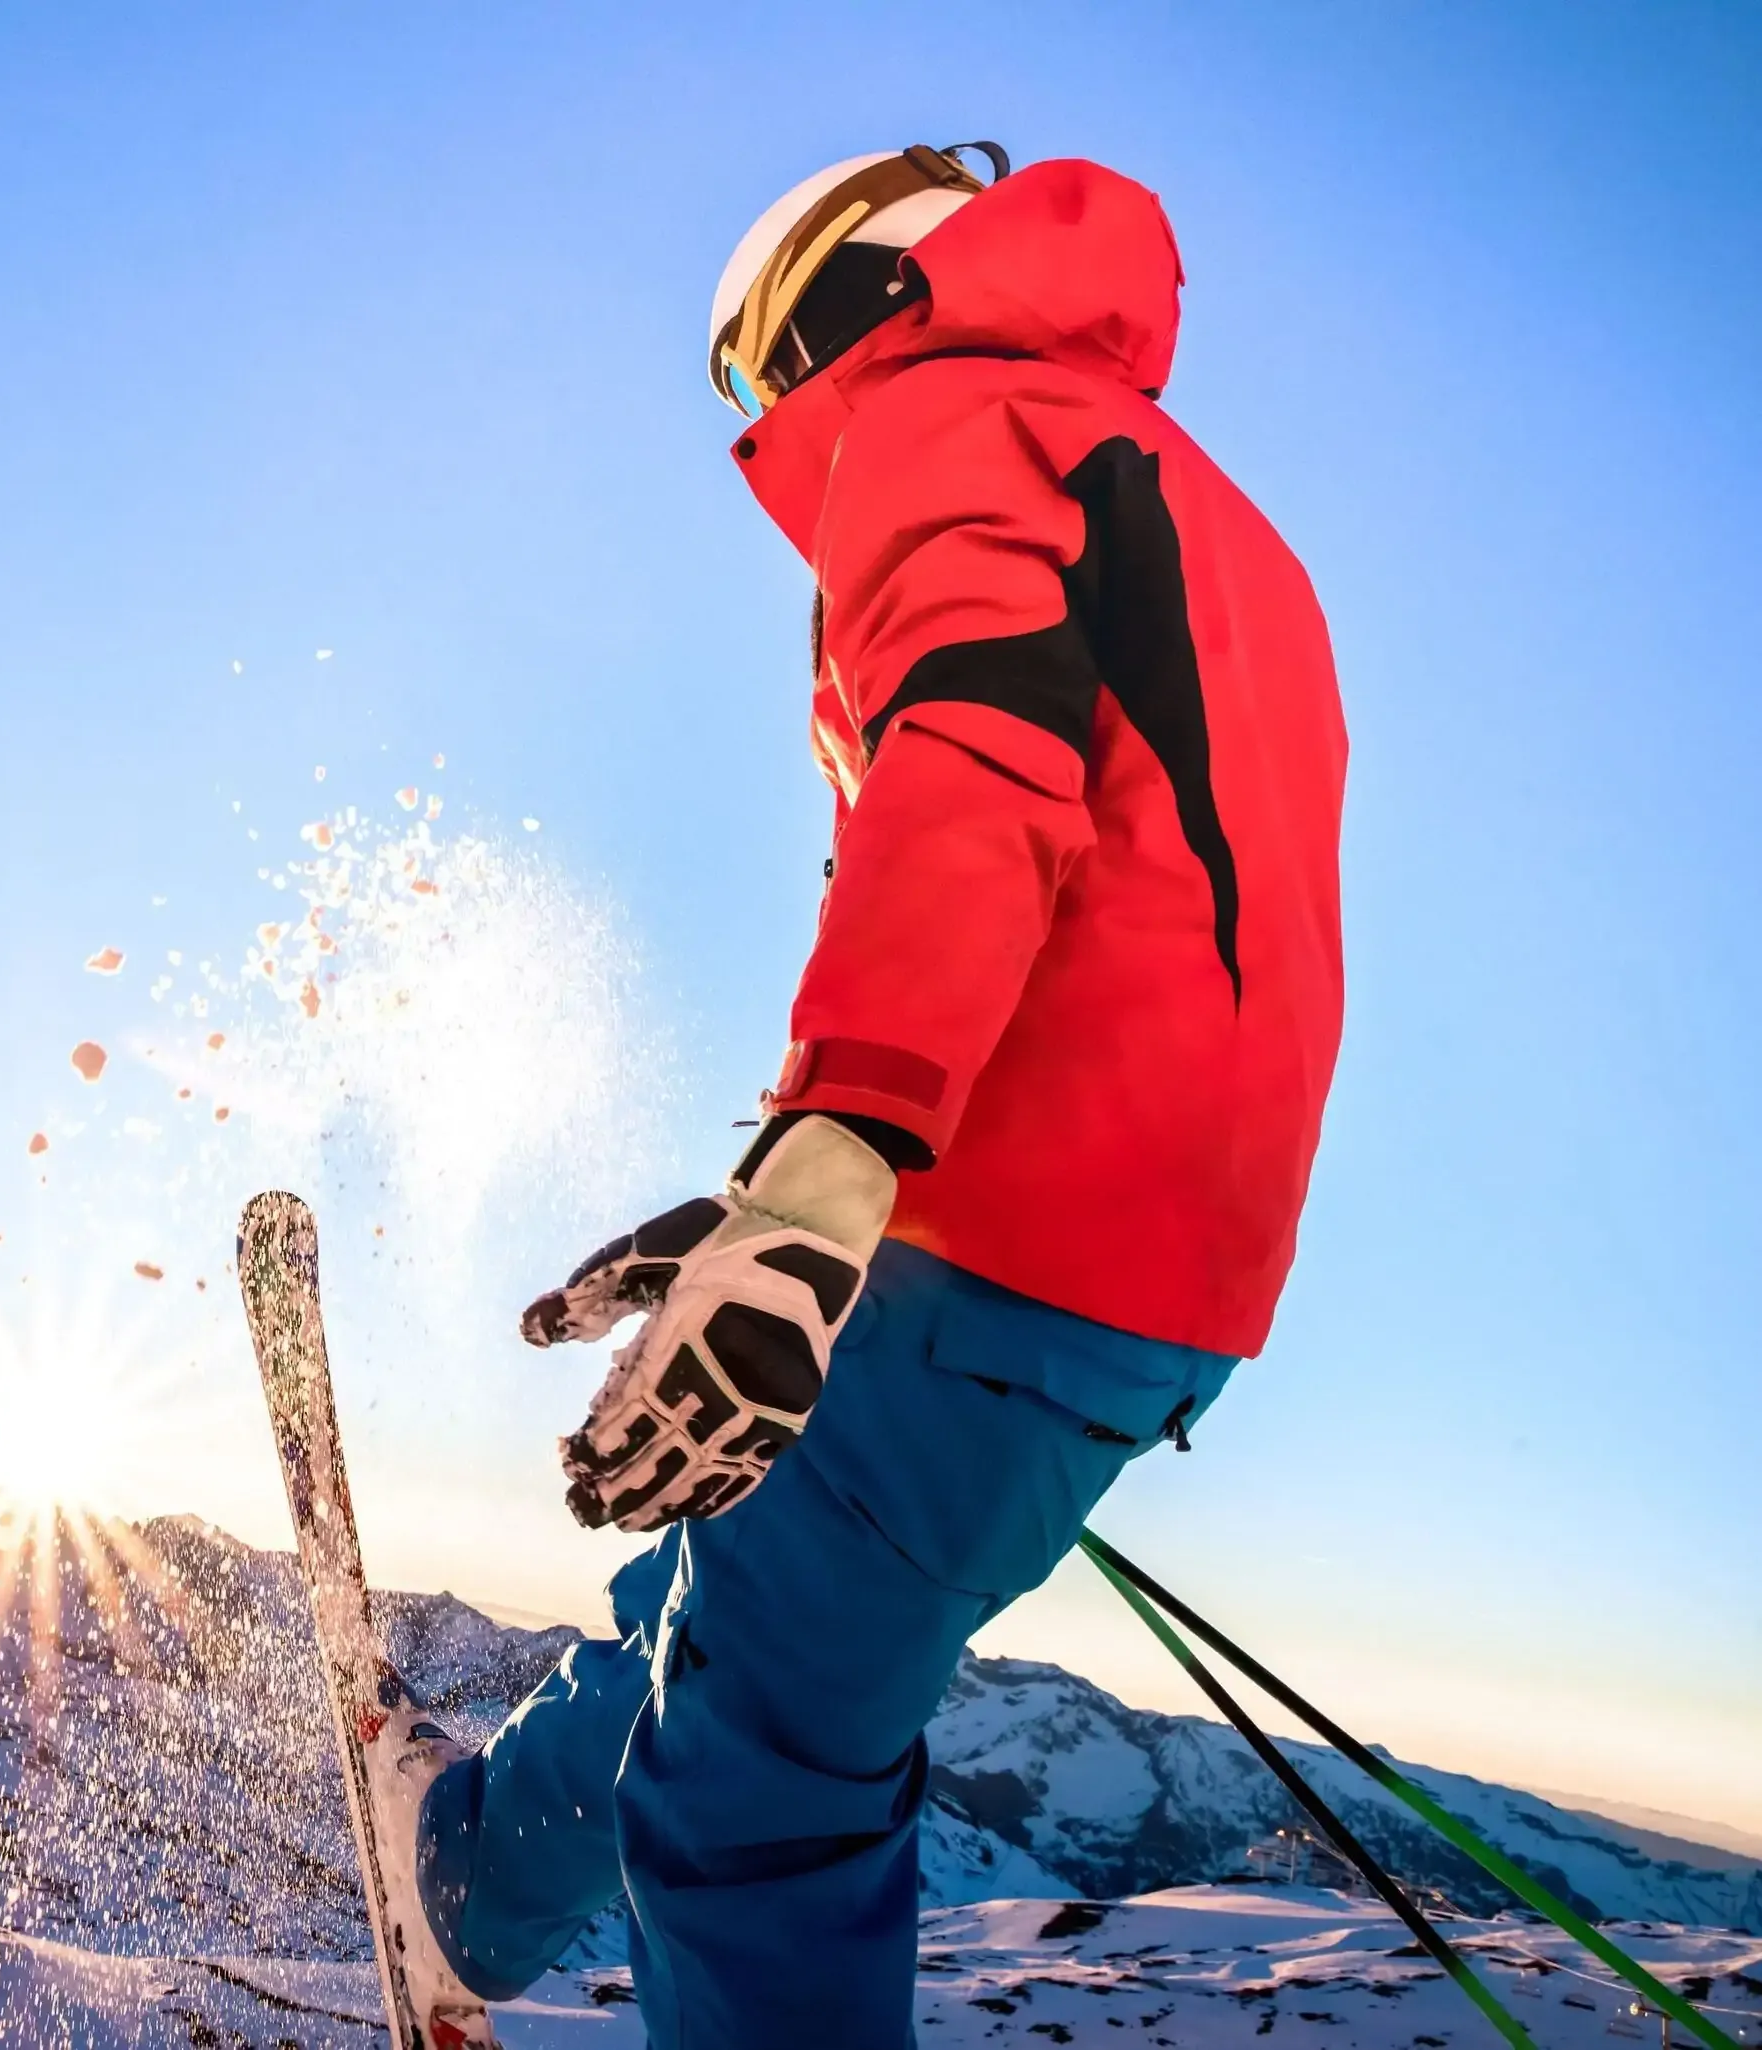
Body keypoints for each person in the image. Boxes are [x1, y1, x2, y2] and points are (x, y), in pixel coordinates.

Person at [360, 145, 1349, 2047]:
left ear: (834, 307)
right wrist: (796, 1184)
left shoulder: (940, 416)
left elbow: (979, 764)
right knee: (729, 1581)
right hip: (1161, 1269)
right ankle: (476, 1881)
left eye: (757, 374)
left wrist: (831, 1180)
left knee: (765, 1778)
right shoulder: (1211, 513)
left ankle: (487, 1886)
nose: (772, 432)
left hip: (1015, 1241)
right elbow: (1165, 893)